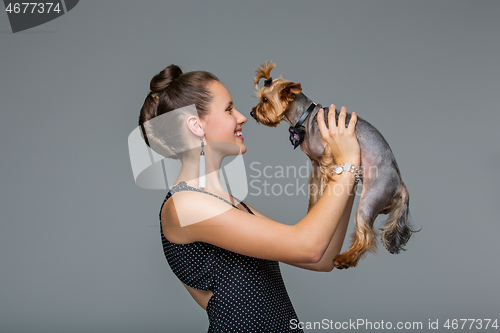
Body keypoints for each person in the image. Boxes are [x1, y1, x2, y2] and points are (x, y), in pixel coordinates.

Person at [138, 64, 360, 332]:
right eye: (229, 109)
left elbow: (324, 258)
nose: (242, 117)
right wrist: (345, 166)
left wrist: (344, 168)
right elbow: (308, 246)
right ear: (195, 124)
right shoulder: (186, 205)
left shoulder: (230, 206)